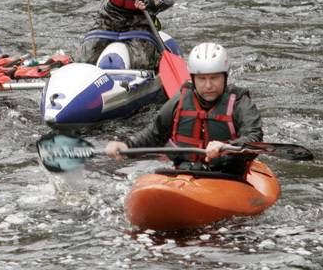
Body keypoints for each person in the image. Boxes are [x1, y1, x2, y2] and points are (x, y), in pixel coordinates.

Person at [105, 42, 263, 177]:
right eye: (202, 79)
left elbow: (254, 137)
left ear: (225, 77)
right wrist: (127, 145)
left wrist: (227, 147)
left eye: (214, 78)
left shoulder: (240, 103)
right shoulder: (180, 100)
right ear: (193, 79)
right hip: (185, 173)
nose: (208, 85)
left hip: (227, 175)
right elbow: (154, 133)